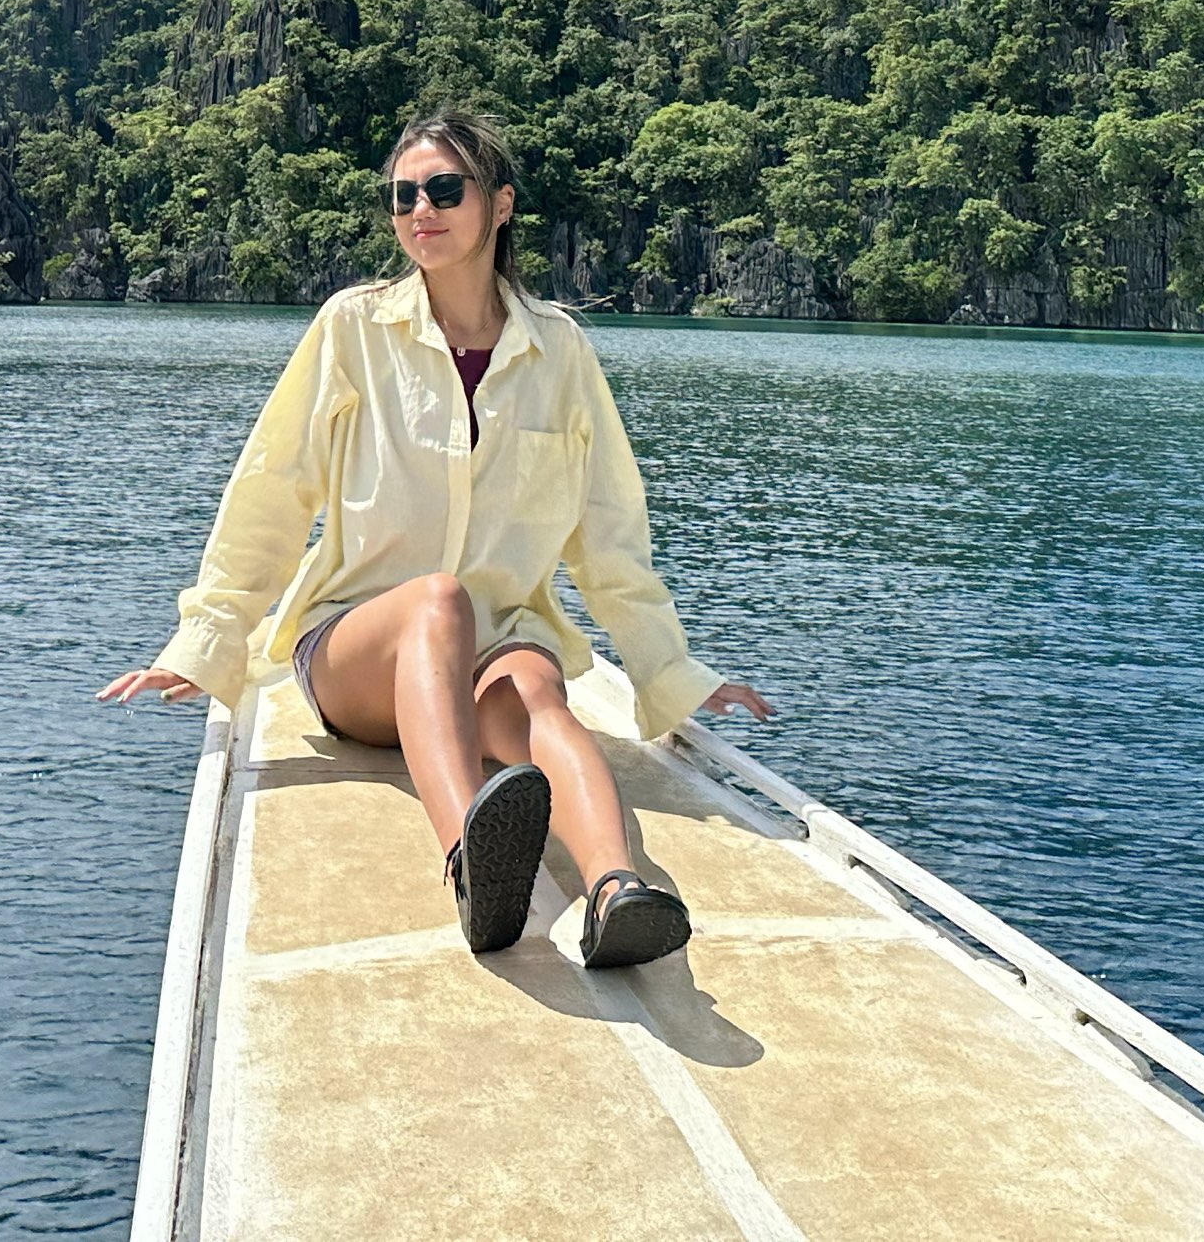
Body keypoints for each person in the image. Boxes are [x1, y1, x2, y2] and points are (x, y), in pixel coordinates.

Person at [101, 107, 773, 967]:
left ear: (499, 206)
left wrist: (672, 671)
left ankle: (618, 889)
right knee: (436, 601)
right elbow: (273, 488)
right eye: (403, 194)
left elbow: (608, 531)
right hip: (357, 654)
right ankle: (472, 859)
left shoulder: (559, 351)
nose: (421, 209)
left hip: (492, 643)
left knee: (534, 686)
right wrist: (207, 639)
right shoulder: (355, 327)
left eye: (444, 190)